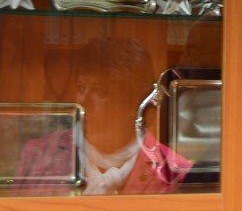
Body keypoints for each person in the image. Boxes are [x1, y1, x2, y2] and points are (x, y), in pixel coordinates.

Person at [14, 37, 193, 195]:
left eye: (100, 91)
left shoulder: (175, 170)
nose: (83, 101)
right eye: (81, 87)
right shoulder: (37, 154)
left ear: (134, 103)